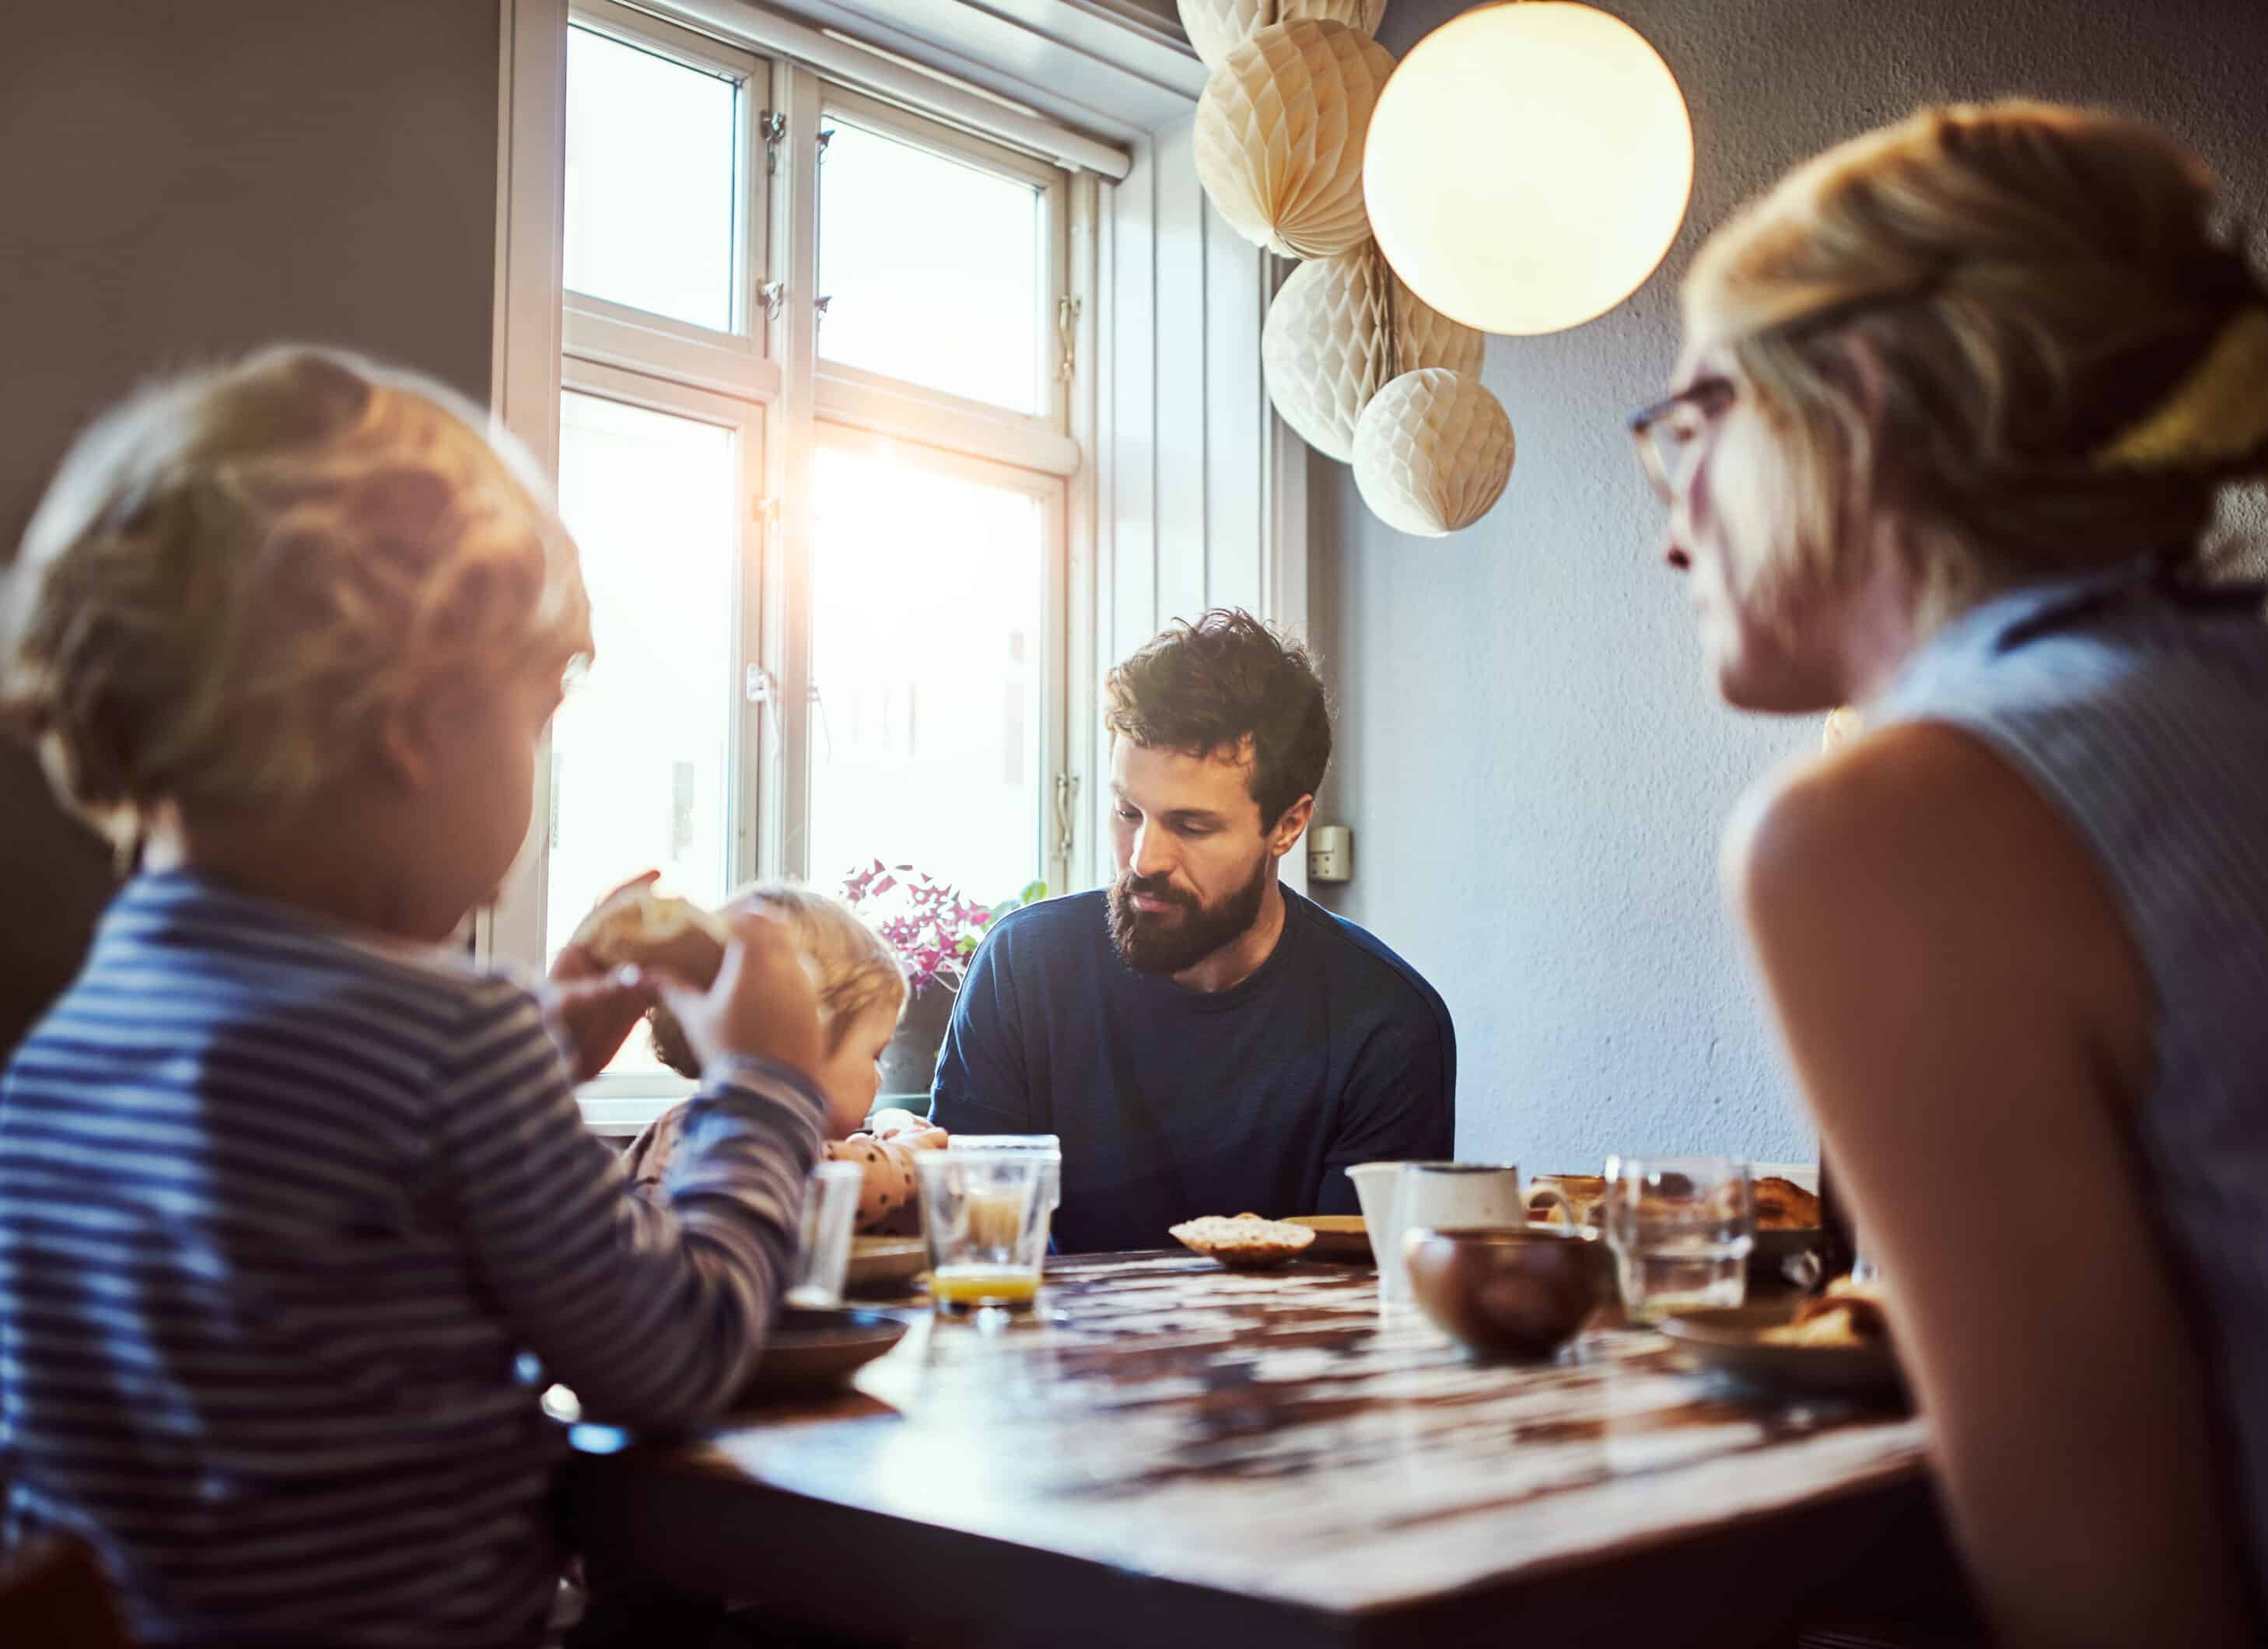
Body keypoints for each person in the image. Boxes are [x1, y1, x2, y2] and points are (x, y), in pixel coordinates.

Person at [0, 345, 852, 1647]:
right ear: (415, 723)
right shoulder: (454, 1045)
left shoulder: (77, 1046)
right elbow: (673, 1356)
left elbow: (340, 1200)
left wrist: (540, 1061)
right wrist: (767, 1089)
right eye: (540, 708)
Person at [1640, 100, 2268, 1646]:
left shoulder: (1893, 826)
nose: (1676, 527)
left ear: (1863, 406)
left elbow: (2115, 1612)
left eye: (1696, 423)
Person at [932, 609, 1454, 1254]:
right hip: (1051, 1354)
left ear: (1288, 826)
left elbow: (1358, 1307)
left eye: (1193, 826)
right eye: (1127, 812)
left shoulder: (1387, 1026)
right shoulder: (1023, 969)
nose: (1143, 859)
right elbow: (966, 1251)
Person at [620, 884, 950, 1234]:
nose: (879, 1079)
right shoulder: (697, 1132)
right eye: (874, 1054)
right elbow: (808, 1185)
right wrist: (907, 1159)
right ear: (799, 1042)